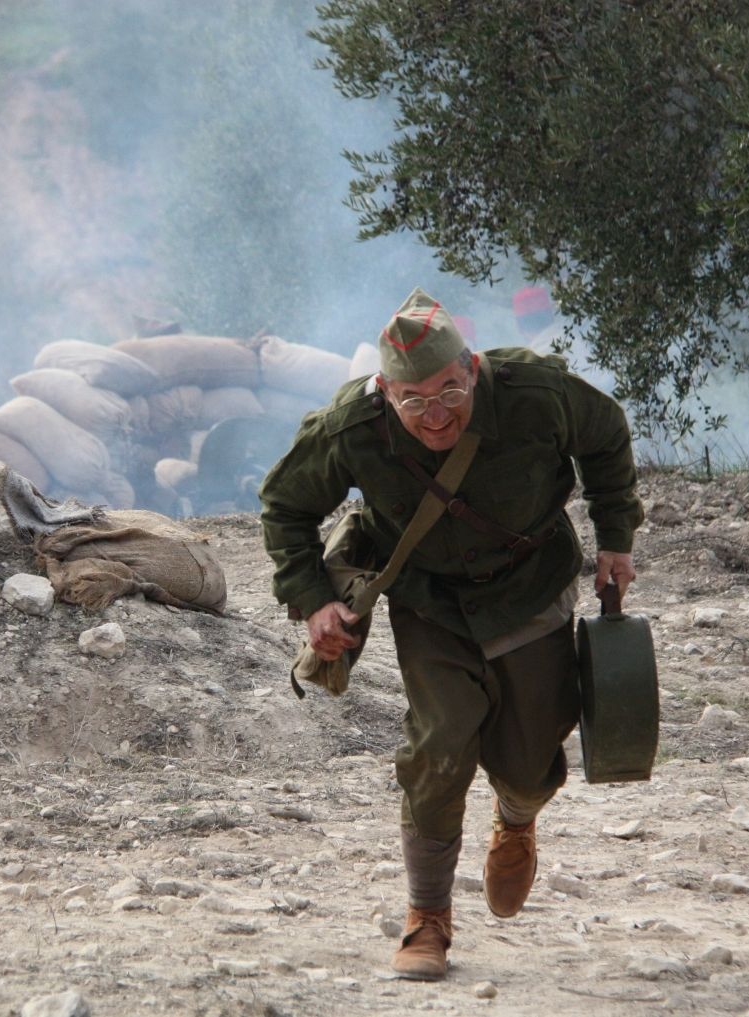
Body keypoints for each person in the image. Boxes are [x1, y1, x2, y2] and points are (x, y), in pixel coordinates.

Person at [258, 287, 643, 980]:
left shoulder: (534, 391)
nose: (435, 415)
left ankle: (516, 818)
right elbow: (284, 507)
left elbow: (605, 435)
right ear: (384, 391)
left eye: (448, 392)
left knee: (529, 755)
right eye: (413, 401)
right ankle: (427, 917)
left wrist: (615, 534)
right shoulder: (351, 427)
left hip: (528, 583)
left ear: (470, 367)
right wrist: (311, 599)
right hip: (429, 600)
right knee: (439, 743)